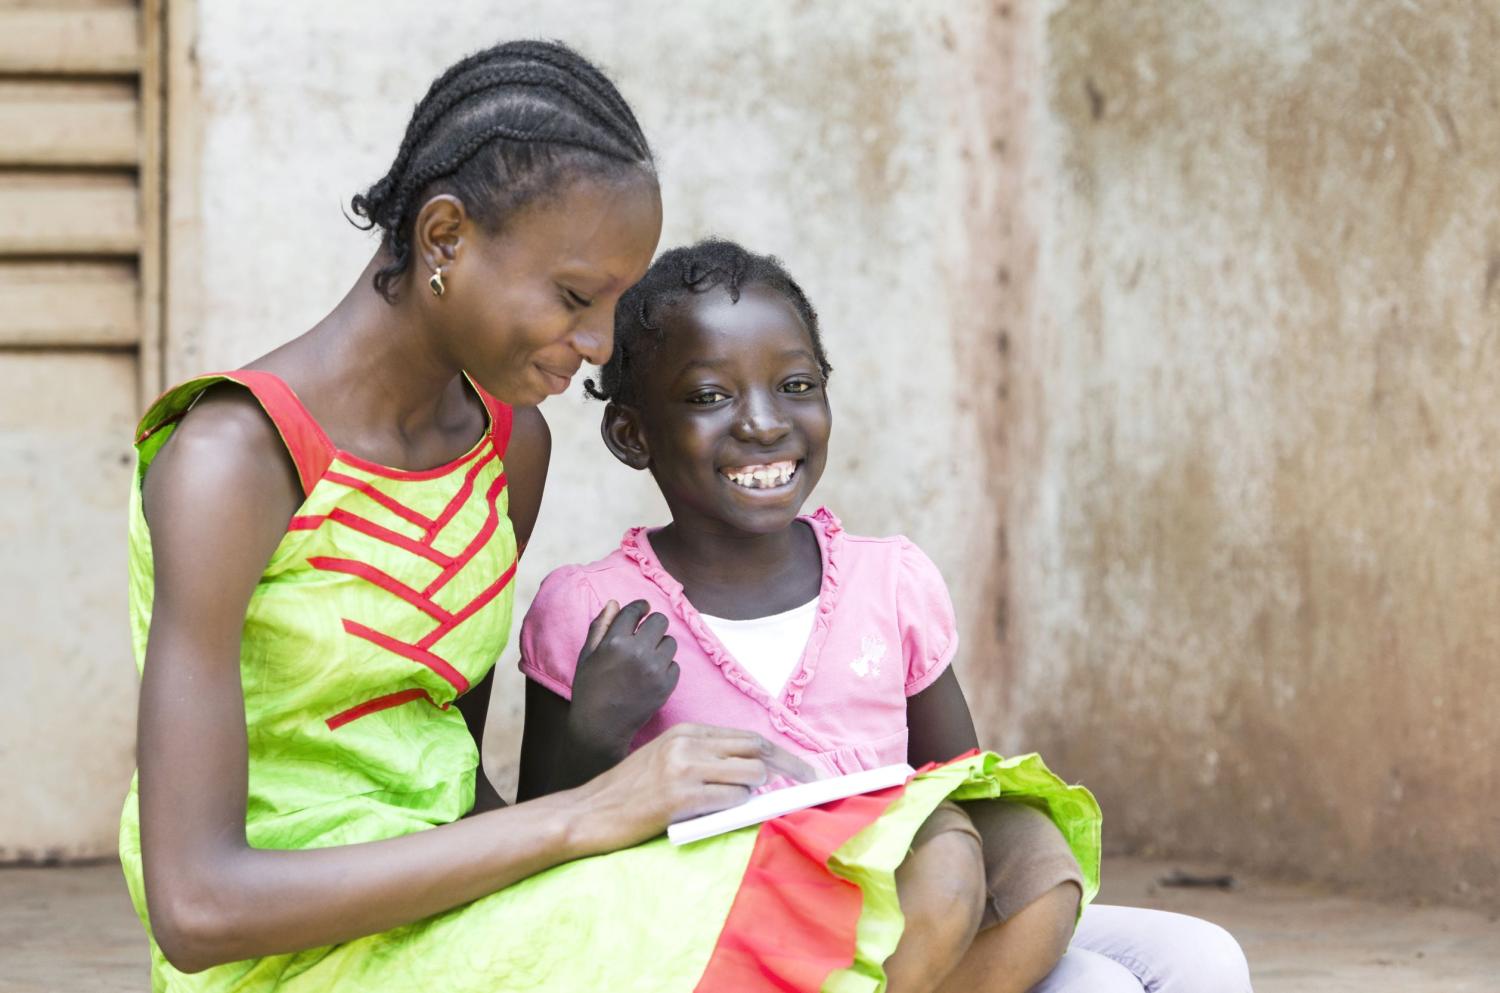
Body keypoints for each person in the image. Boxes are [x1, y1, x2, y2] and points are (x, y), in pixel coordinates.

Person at [120, 40, 1066, 993]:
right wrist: (591, 816)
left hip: (469, 911)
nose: (601, 344)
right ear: (444, 238)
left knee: (1028, 869)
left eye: (616, 300)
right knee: (915, 886)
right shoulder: (231, 460)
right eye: (576, 296)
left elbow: (459, 786)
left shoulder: (506, 445)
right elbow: (199, 908)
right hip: (295, 961)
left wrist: (600, 826)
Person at [515, 239, 1255, 993]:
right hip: (727, 940)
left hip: (918, 908)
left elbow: (958, 785)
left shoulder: (888, 581)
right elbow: (541, 854)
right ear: (632, 434)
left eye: (796, 384)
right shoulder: (590, 610)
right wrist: (592, 733)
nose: (764, 422)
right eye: (711, 396)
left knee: (1202, 956)